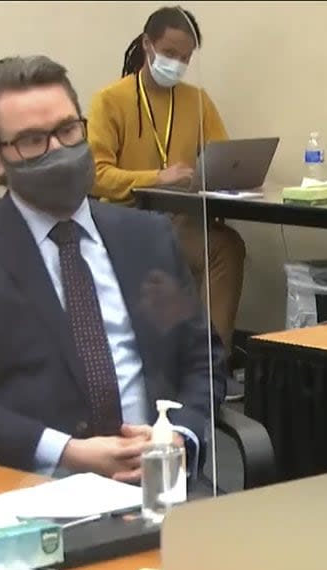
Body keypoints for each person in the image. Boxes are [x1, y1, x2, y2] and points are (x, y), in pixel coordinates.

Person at [0, 55, 225, 482]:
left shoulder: (146, 238)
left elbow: (202, 359)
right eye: (33, 140)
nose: (59, 150)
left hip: (159, 484)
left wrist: (178, 436)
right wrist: (68, 452)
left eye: (69, 130)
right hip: (32, 496)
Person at [87, 5, 245, 367]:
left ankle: (212, 363)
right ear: (148, 45)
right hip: (125, 220)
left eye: (185, 57)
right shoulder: (110, 100)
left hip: (179, 218)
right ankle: (177, 360)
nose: (176, 63)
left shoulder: (196, 100)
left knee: (226, 247)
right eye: (170, 53)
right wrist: (157, 178)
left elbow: (221, 157)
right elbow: (95, 175)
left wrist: (229, 176)